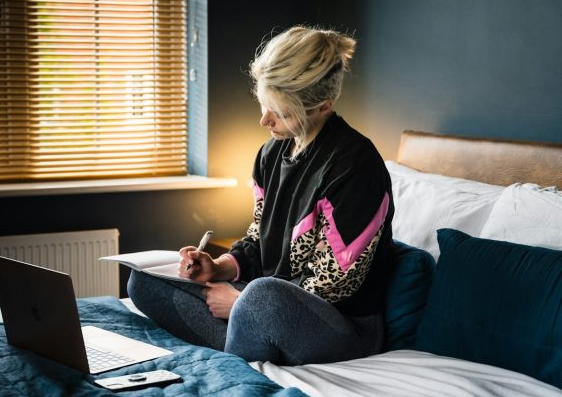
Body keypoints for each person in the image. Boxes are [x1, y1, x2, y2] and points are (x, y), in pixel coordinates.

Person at [127, 25, 395, 366]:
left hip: (341, 326)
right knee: (143, 280)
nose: (264, 120)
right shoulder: (271, 154)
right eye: (264, 105)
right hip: (265, 302)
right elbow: (258, 239)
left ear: (323, 106)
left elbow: (333, 285)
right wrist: (218, 268)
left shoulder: (355, 166)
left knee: (262, 296)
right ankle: (247, 339)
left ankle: (242, 340)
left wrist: (240, 302)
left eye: (280, 112)